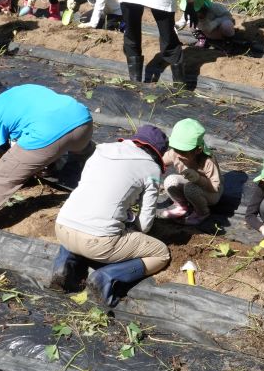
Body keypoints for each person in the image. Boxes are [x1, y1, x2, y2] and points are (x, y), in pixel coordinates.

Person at [0, 75, 94, 263]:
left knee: (0, 179)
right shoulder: (25, 89)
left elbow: (6, 154)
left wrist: (21, 168)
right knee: (65, 146)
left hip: (48, 135)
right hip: (83, 124)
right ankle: (86, 171)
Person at [50, 125, 172, 308]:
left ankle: (63, 266)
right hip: (98, 242)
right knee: (161, 254)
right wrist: (131, 224)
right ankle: (106, 277)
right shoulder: (151, 168)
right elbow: (145, 225)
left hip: (62, 227)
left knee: (83, 220)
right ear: (157, 153)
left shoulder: (102, 149)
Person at [160, 118, 222, 226]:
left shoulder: (207, 161)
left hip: (210, 192)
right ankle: (182, 206)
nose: (178, 154)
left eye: (183, 152)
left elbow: (215, 187)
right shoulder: (175, 153)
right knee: (170, 181)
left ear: (198, 150)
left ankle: (202, 213)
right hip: (191, 184)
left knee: (190, 188)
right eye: (176, 149)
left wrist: (198, 179)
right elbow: (160, 162)